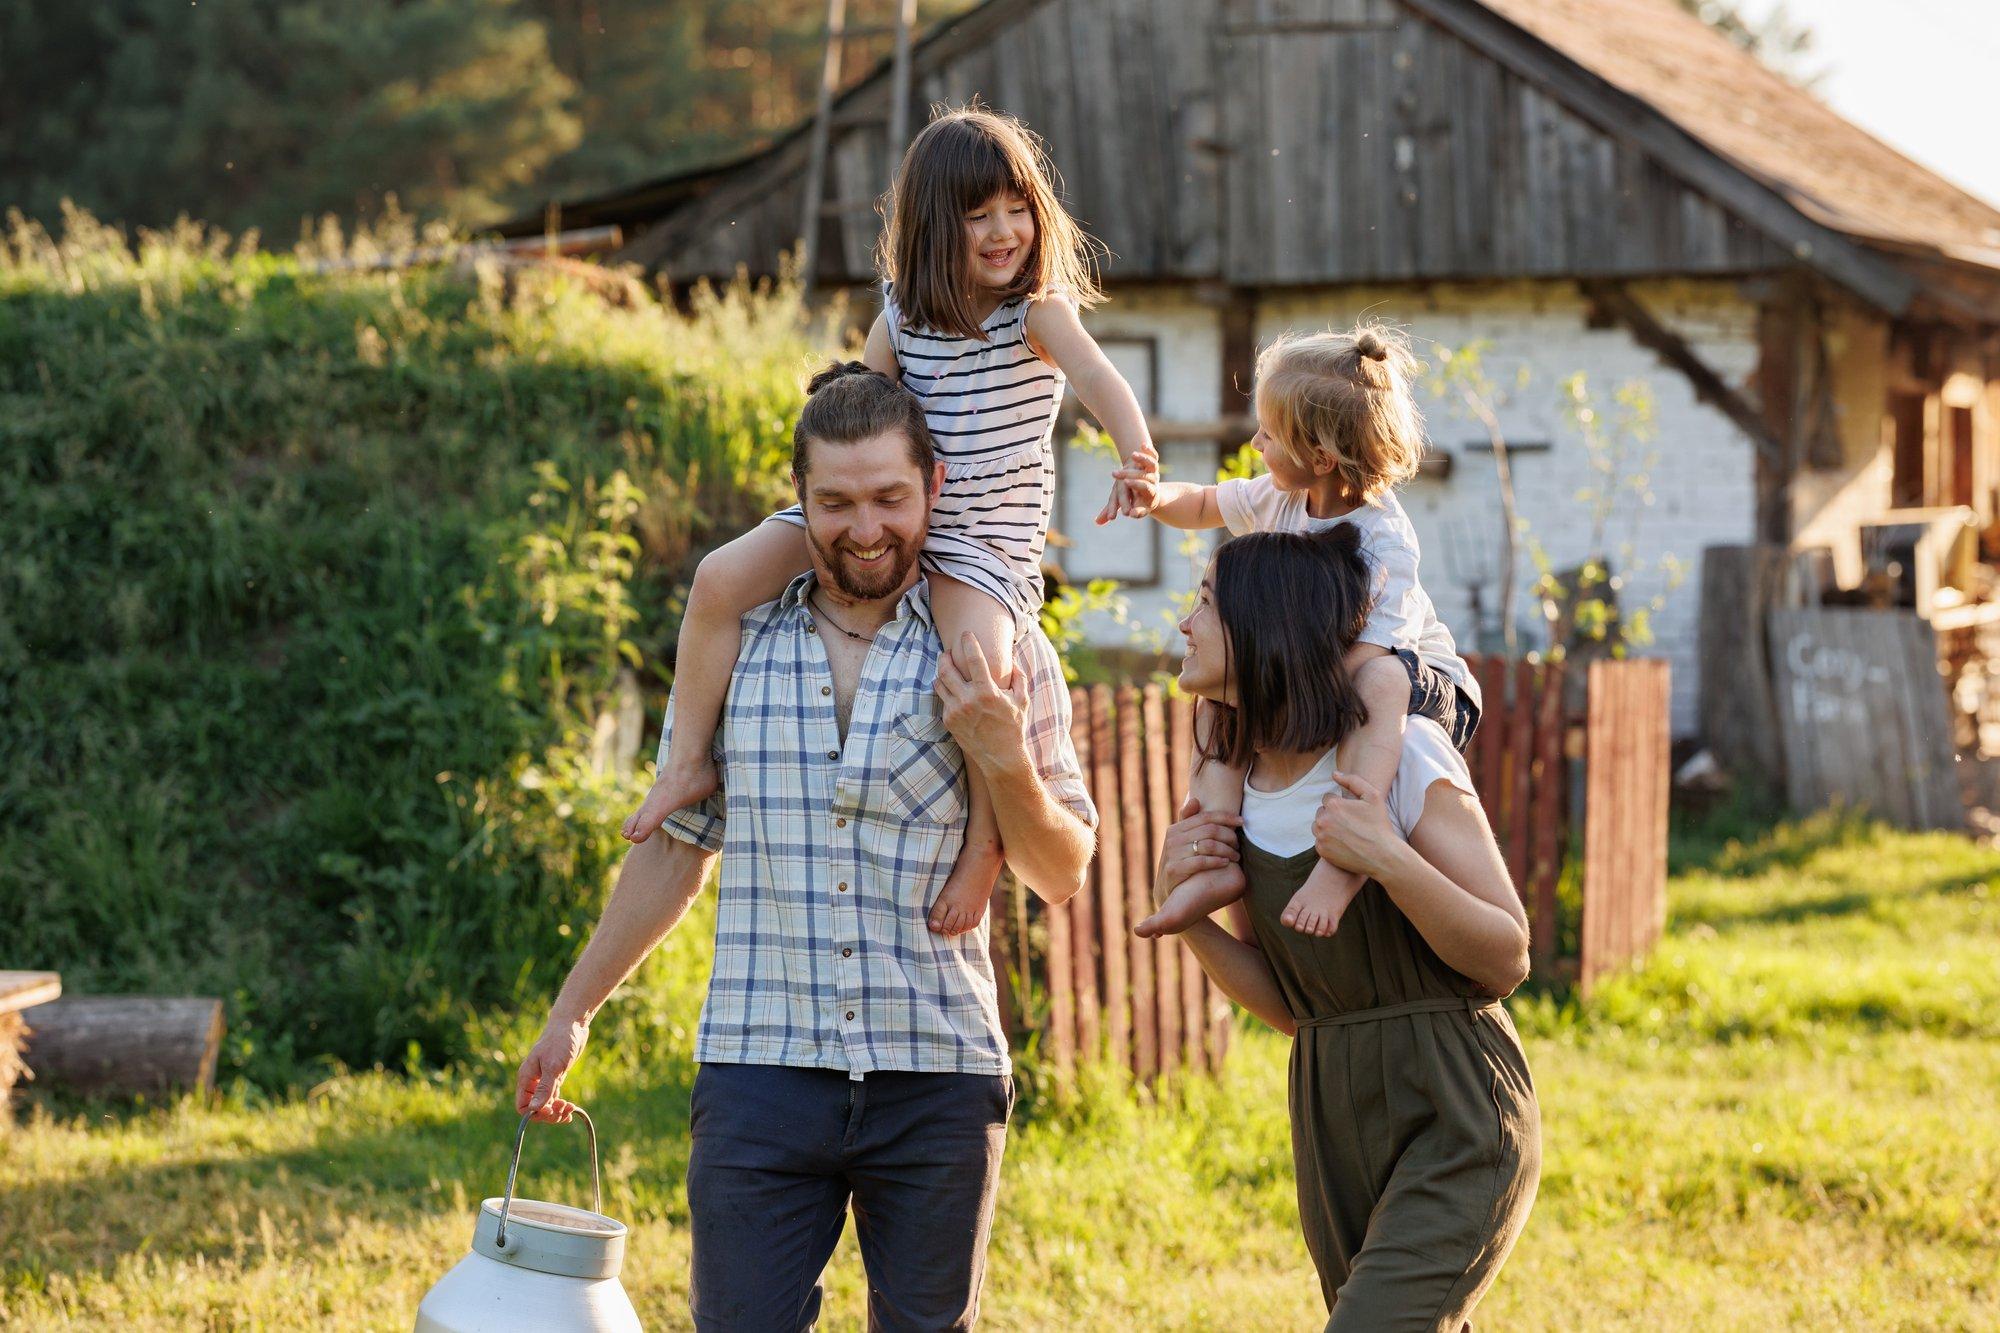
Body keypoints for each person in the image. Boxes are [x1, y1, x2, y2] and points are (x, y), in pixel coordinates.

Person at [517, 364, 1098, 1331]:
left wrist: (1004, 757)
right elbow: (677, 846)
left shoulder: (997, 647)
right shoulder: (736, 638)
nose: (865, 527)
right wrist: (573, 1012)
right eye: (834, 501)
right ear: (797, 499)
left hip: (937, 1073)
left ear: (936, 488)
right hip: (760, 1070)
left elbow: (1062, 868)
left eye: (889, 498)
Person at [625, 105, 1157, 941]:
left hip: (978, 550)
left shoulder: (1037, 313)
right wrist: (823, 492)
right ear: (932, 228)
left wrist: (1138, 456)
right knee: (720, 578)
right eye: (976, 215)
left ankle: (984, 843)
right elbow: (857, 409)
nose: (1002, 230)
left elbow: (1099, 377)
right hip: (888, 510)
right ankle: (688, 761)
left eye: (1016, 208)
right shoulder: (901, 316)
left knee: (977, 666)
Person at [1155, 526, 1539, 1330]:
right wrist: (1188, 923)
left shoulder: (1404, 756)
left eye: (1203, 603)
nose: (1184, 623)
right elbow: (1299, 1006)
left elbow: (1506, 954)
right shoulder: (1243, 790)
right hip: (1332, 1117)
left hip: (1457, 1111)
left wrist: (1388, 859)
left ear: (1266, 625)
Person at [1135, 325, 1479, 939]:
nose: (1256, 441)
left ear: (1319, 458)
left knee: (1379, 684)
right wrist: (1154, 495)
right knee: (1219, 693)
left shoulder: (1384, 541)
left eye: (1268, 434)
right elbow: (1203, 504)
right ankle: (1217, 842)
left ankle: (1346, 854)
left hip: (1424, 682)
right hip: (1328, 667)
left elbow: (1370, 656)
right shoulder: (1279, 498)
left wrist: (1288, 701)